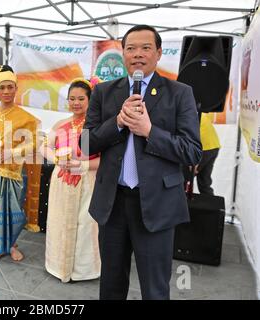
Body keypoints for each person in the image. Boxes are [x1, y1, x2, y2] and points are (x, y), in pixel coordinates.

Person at [80, 25, 202, 299]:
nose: (137, 54)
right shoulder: (104, 92)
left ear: (159, 53)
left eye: (145, 48)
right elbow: (85, 144)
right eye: (130, 48)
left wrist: (149, 131)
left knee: (155, 288)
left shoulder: (180, 93)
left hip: (157, 204)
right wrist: (118, 123)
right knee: (111, 284)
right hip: (113, 204)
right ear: (122, 53)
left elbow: (192, 151)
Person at [0, 65, 40, 262]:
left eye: (10, 87)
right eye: (2, 87)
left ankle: (11, 245)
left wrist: (11, 152)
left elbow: (33, 142)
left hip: (16, 172)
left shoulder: (26, 118)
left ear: (16, 88)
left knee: (14, 211)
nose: (6, 91)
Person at [40, 78, 101, 283]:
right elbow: (43, 147)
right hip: (62, 181)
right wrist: (57, 158)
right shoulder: (60, 124)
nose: (76, 103)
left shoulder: (97, 126)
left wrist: (83, 166)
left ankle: (84, 271)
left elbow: (108, 160)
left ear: (90, 100)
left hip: (88, 181)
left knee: (86, 225)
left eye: (81, 98)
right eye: (72, 99)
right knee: (59, 222)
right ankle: (58, 266)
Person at [195, 113, 220, 195]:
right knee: (204, 182)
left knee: (185, 177)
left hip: (205, 147)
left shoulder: (186, 112)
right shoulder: (200, 111)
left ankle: (181, 205)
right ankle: (211, 206)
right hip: (214, 146)